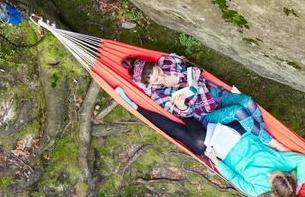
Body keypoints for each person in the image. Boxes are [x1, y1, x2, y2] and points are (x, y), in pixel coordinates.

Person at [123, 55, 289, 152]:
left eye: (157, 72)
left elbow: (195, 68)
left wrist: (196, 71)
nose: (161, 77)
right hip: (206, 115)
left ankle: (261, 135)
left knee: (248, 101)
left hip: (215, 95)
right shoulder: (158, 95)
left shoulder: (167, 62)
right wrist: (182, 107)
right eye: (156, 79)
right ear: (149, 84)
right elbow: (187, 115)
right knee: (239, 111)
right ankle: (270, 141)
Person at [204, 129, 305, 197]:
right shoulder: (286, 164)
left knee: (199, 140)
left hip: (223, 152)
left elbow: (233, 177)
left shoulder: (255, 190)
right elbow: (304, 160)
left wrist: (216, 162)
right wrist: (299, 184)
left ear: (272, 188)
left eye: (270, 177)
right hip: (240, 136)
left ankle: (211, 167)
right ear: (287, 175)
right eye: (274, 172)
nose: (269, 173)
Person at [115, 87, 206, 155]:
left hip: (209, 149)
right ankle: (182, 110)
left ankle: (136, 108)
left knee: (180, 132)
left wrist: (215, 162)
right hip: (212, 132)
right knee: (199, 139)